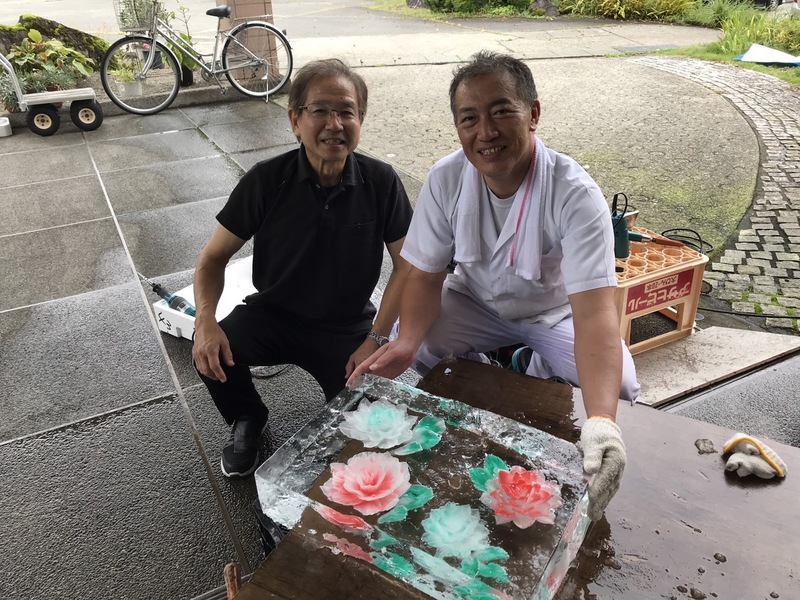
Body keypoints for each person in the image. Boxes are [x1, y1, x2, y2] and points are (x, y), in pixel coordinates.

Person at [349, 51, 639, 521]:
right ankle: (491, 363)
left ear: (534, 113)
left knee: (620, 385)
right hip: (475, 302)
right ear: (459, 128)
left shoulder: (575, 193)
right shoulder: (446, 179)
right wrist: (403, 342)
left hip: (553, 313)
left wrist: (602, 424)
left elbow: (595, 315)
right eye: (470, 118)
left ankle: (527, 358)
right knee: (425, 339)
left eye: (502, 110)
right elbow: (423, 274)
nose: (486, 131)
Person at [192, 58, 413, 478]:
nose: (335, 123)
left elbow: (407, 267)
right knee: (211, 349)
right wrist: (206, 320)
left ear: (360, 120)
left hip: (345, 327)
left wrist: (376, 338)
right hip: (274, 314)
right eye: (320, 110)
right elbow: (211, 259)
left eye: (347, 111)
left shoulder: (381, 182)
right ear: (295, 119)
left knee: (373, 439)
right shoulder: (265, 180)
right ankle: (248, 418)